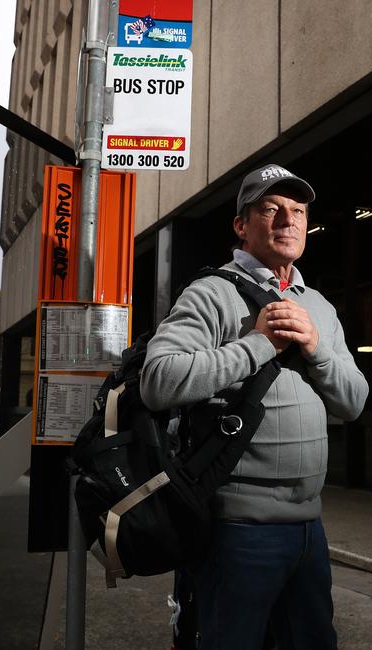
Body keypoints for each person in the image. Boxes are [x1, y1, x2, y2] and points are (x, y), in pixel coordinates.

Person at [139, 163, 369, 650]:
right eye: (271, 209)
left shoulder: (321, 308)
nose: (288, 220)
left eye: (298, 211)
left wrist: (316, 347)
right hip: (237, 531)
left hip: (309, 528)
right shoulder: (211, 293)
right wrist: (259, 343)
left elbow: (353, 402)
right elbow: (158, 381)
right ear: (242, 225)